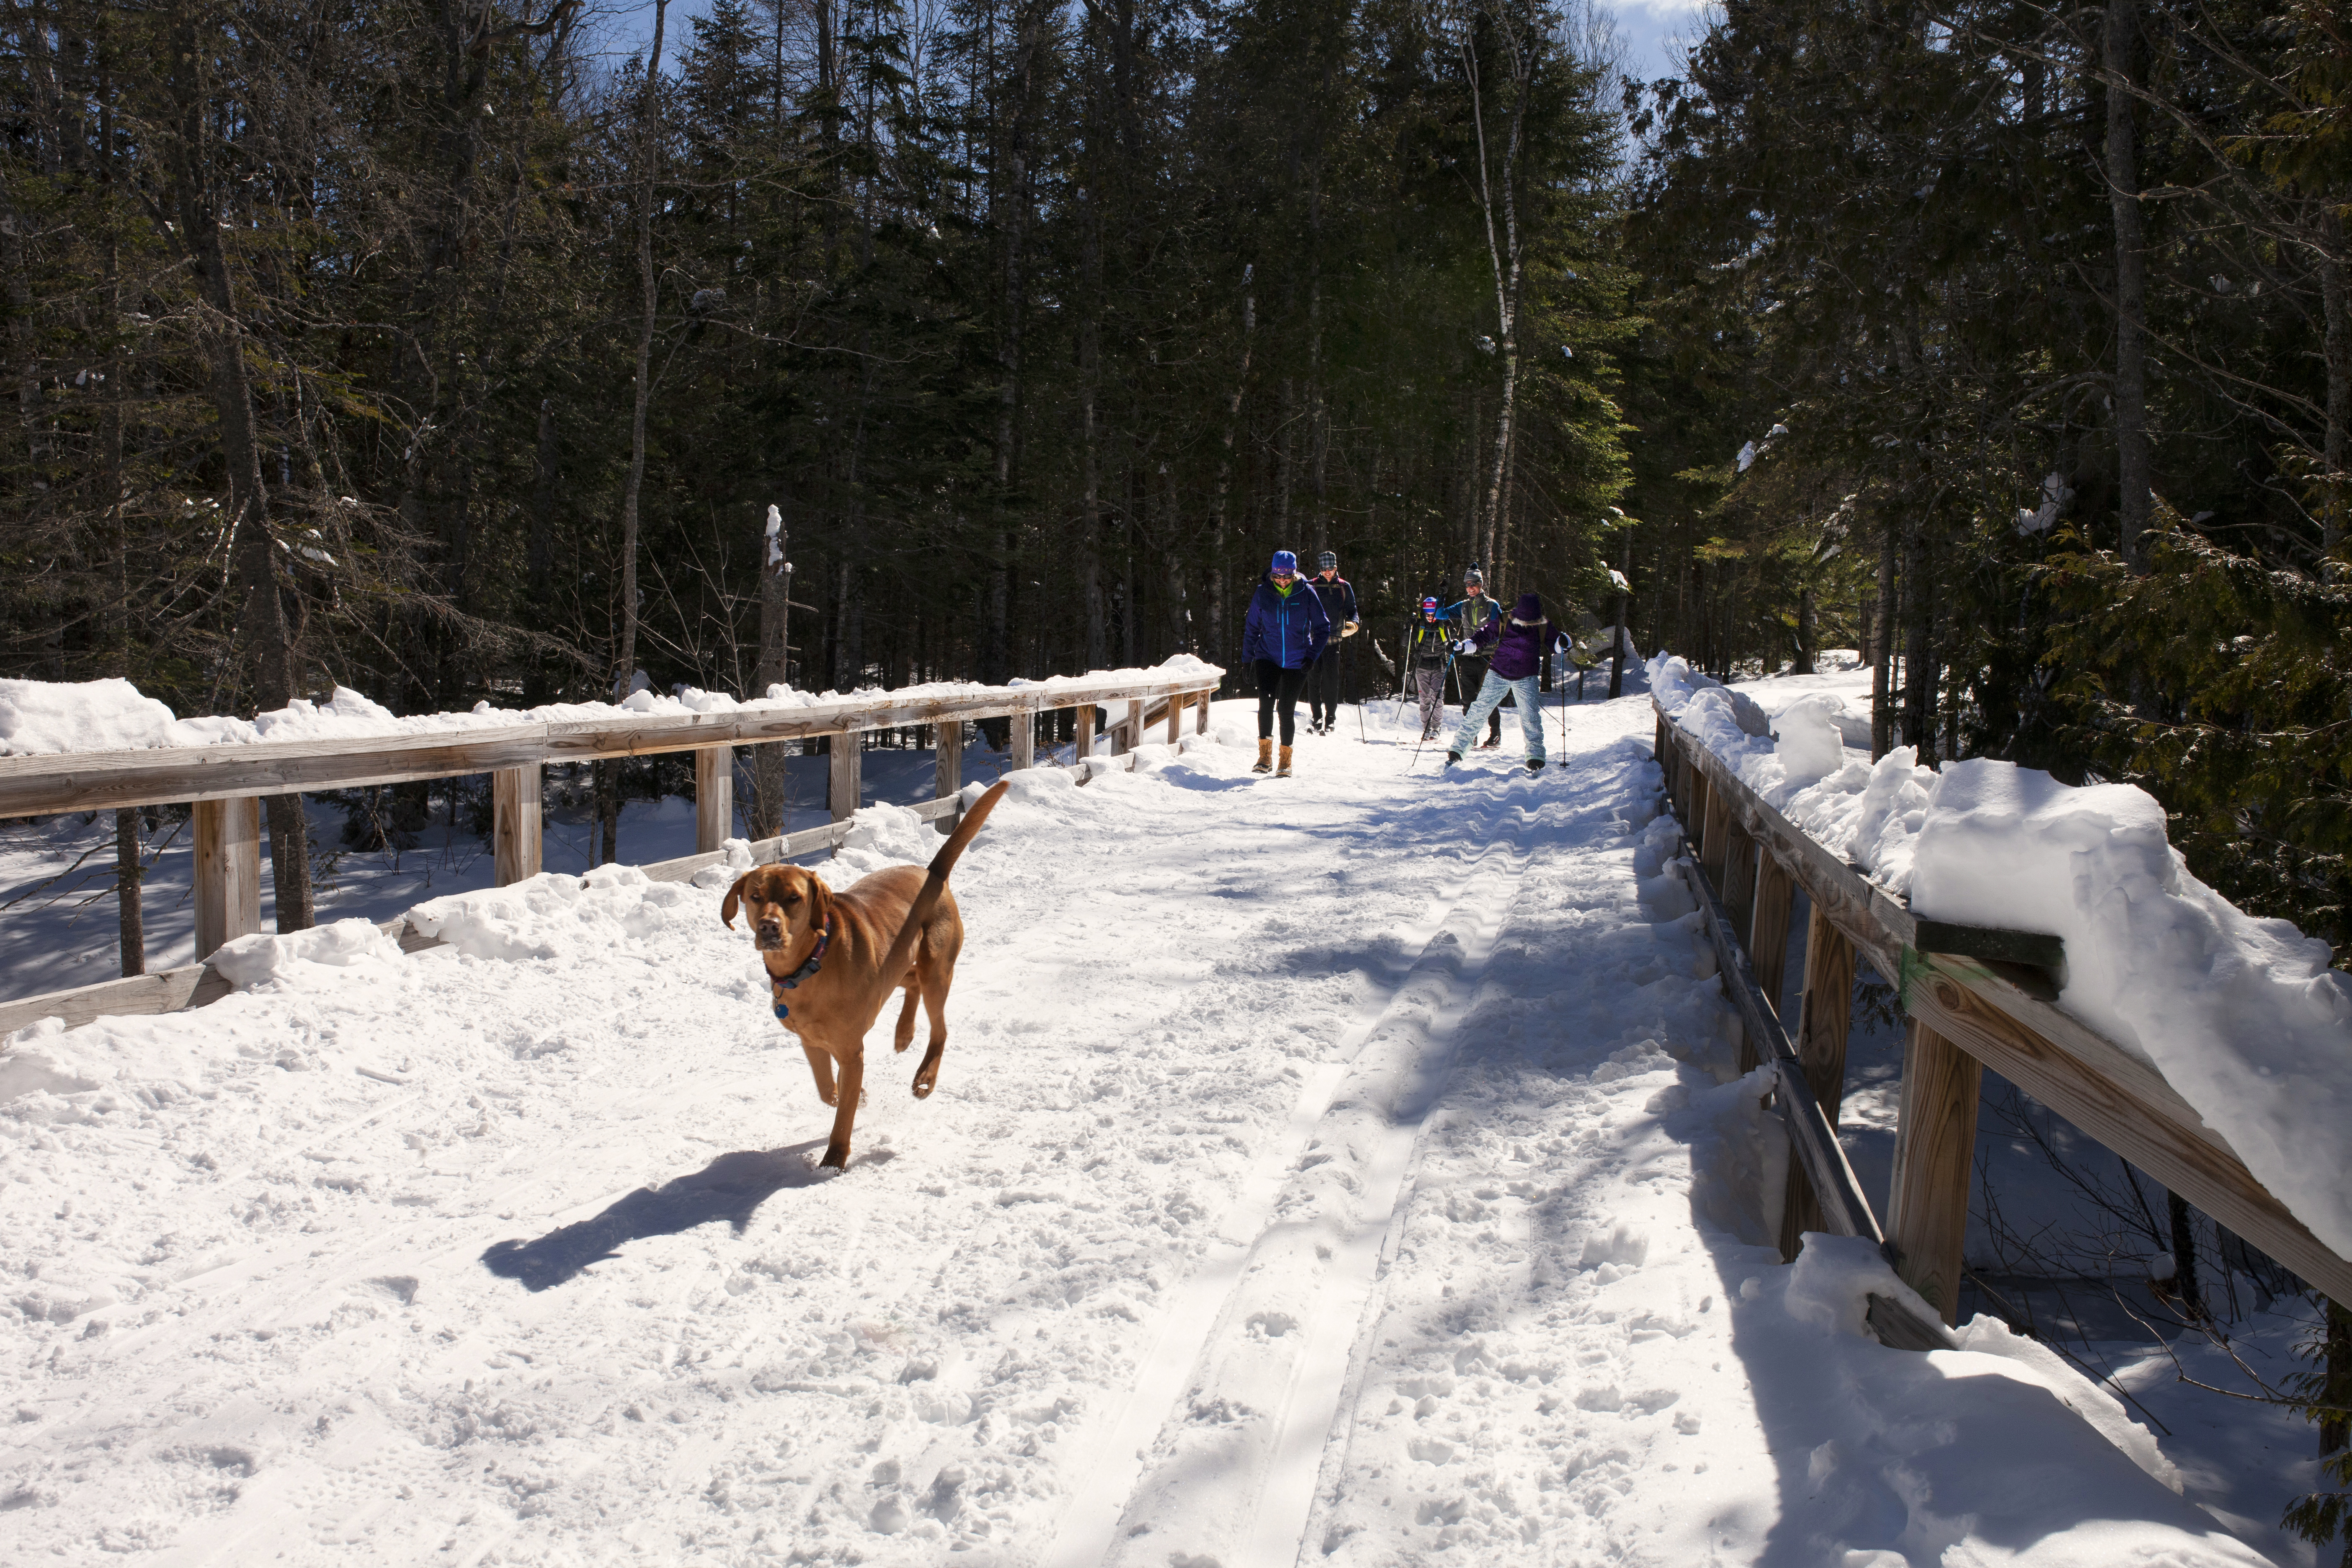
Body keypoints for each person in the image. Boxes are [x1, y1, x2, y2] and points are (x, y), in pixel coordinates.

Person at [1448, 591, 1570, 772]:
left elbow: (1556, 646)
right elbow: (1482, 636)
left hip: (1527, 678)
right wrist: (1462, 647)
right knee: (1478, 711)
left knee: (1530, 717)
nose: (1528, 624)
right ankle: (1458, 749)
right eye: (1525, 620)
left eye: (1531, 621)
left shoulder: (1544, 626)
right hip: (1498, 673)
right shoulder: (1505, 620)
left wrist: (1563, 643)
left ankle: (1535, 756)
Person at [1241, 549, 1332, 776]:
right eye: (1278, 576)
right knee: (1265, 704)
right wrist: (1247, 659)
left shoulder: (1306, 592)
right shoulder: (1263, 592)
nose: (1282, 581)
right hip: (1267, 656)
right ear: (1272, 574)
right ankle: (1264, 757)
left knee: (1286, 709)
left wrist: (1311, 656)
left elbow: (1323, 628)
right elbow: (1252, 628)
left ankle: (1285, 760)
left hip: (1297, 660)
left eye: (1287, 576)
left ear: (1294, 574)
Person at [1298, 551, 1360, 734]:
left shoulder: (1344, 587)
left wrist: (1354, 624)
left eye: (1330, 568)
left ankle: (1331, 719)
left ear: (1336, 568)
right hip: (1314, 641)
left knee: (1331, 682)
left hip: (1334, 639)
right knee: (1314, 680)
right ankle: (1317, 717)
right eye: (1324, 568)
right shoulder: (1311, 585)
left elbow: (1352, 610)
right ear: (1320, 569)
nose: (1327, 572)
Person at [1443, 568, 1504, 748]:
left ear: (1481, 584)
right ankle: (1472, 734)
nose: (1470, 588)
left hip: (1488, 658)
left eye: (1474, 584)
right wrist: (1442, 595)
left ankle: (1495, 735)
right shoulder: (1463, 606)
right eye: (1467, 585)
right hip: (1468, 658)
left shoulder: (1492, 605)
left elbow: (1497, 631)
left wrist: (1482, 645)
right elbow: (1440, 614)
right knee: (1468, 699)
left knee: (1487, 698)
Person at [1402, 596, 1452, 740]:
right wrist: (1408, 628)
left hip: (1439, 665)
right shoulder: (1419, 624)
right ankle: (1426, 728)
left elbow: (1453, 642)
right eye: (1428, 615)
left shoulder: (1443, 624)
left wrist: (1452, 629)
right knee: (1424, 699)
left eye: (1433, 615)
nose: (1430, 618)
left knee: (1437, 697)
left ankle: (1436, 728)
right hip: (1422, 664)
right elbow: (1405, 643)